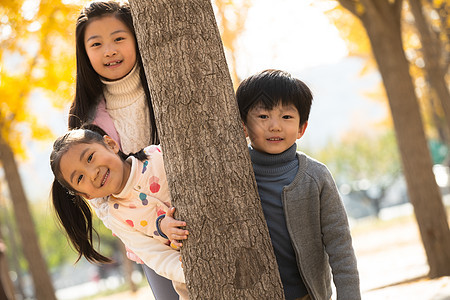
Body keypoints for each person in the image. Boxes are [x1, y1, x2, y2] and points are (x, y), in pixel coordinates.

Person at [67, 1, 178, 298]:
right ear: (85, 52)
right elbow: (100, 200)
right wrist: (155, 226)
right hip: (147, 234)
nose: (109, 50)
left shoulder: (169, 85)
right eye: (96, 44)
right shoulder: (85, 119)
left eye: (119, 38)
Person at [235, 69, 361, 300]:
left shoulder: (315, 176)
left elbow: (340, 244)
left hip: (308, 295)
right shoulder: (233, 176)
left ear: (302, 128)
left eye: (286, 117)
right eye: (263, 117)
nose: (275, 126)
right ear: (243, 125)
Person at [50, 128, 189, 299]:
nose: (93, 174)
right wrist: (187, 271)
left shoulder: (157, 156)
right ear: (87, 196)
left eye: (90, 158)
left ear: (111, 144)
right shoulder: (117, 217)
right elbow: (154, 255)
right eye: (80, 178)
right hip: (187, 278)